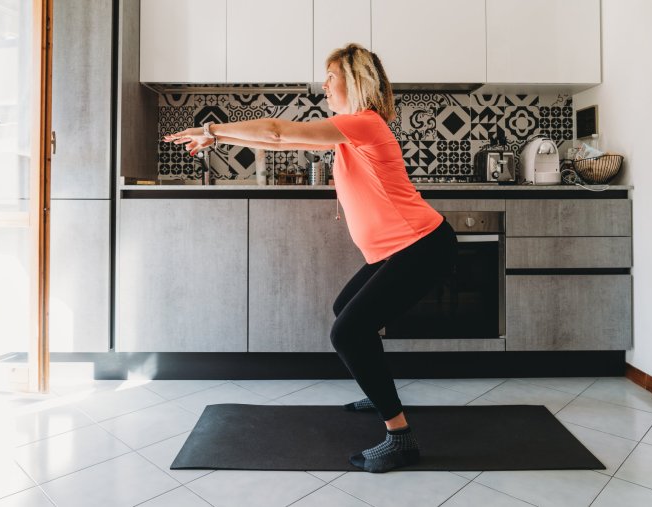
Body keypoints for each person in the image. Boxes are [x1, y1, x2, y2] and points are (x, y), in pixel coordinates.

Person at [163, 42, 458, 473]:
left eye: (331, 76)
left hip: (420, 245)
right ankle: (379, 393)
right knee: (347, 313)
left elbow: (277, 132)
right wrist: (217, 135)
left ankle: (401, 437)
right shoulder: (352, 128)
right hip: (400, 248)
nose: (324, 84)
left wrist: (213, 130)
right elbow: (281, 143)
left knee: (347, 332)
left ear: (354, 80)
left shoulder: (364, 123)